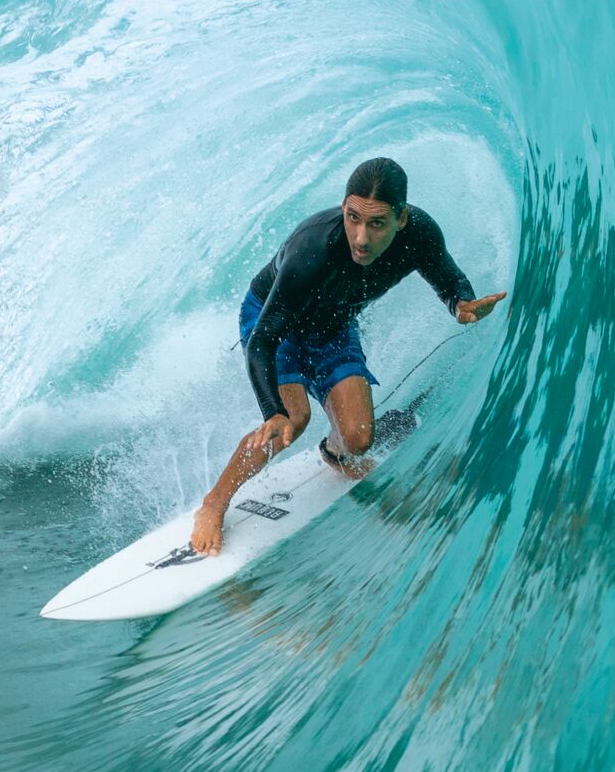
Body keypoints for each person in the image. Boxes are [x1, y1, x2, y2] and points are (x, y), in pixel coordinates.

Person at [192, 157, 506, 555]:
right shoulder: (312, 248)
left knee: (358, 439)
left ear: (401, 218)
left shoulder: (420, 234)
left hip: (332, 326)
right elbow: (262, 342)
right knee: (294, 420)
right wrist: (272, 410)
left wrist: (460, 304)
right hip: (275, 324)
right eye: (352, 218)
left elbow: (447, 277)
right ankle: (214, 502)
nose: (360, 237)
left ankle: (334, 454)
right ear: (343, 208)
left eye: (376, 224)